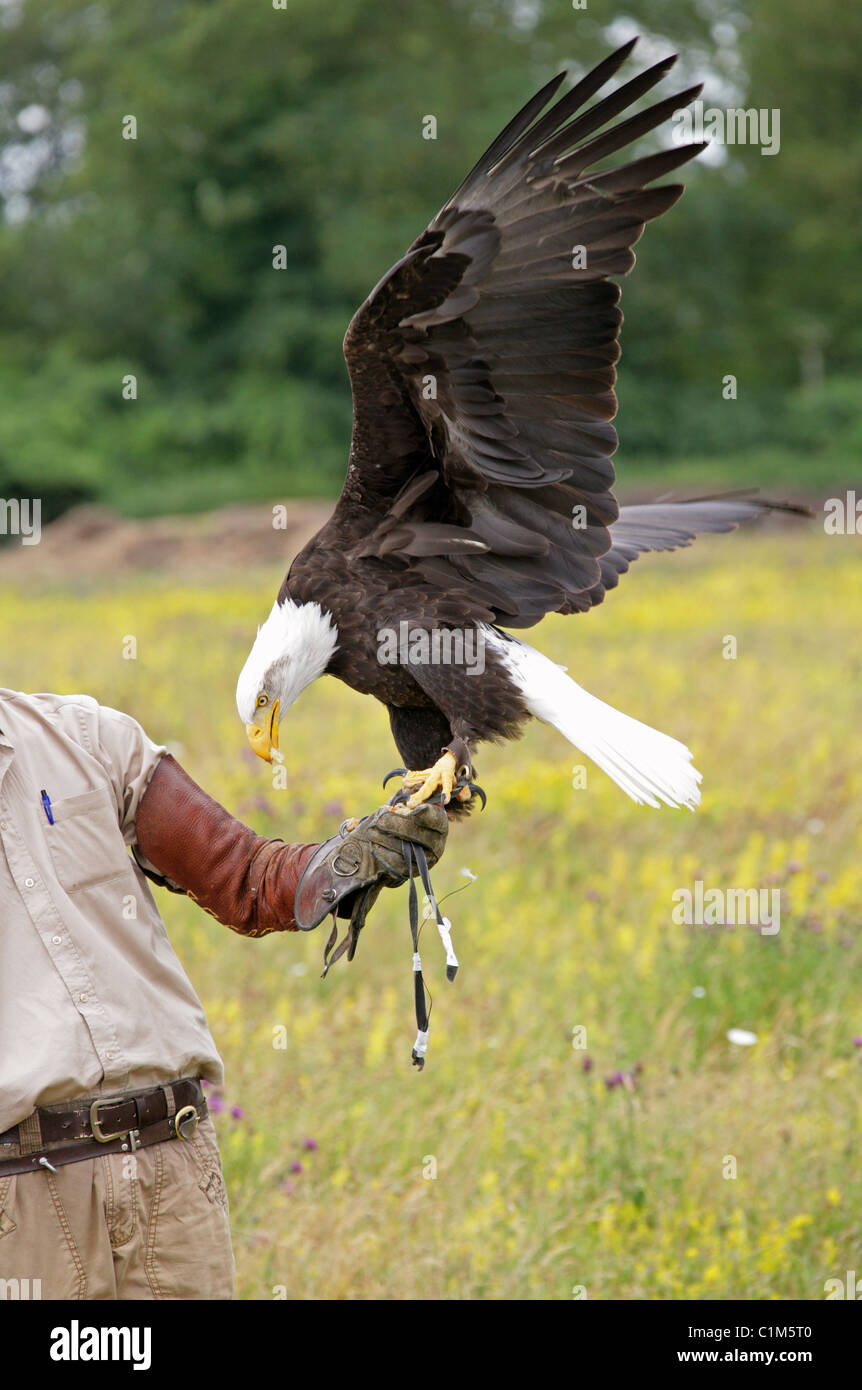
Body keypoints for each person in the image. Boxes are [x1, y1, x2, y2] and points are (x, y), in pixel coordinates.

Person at [0, 687, 448, 1300]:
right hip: (21, 1197)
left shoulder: (87, 737)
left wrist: (349, 860)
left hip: (172, 1169)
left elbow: (241, 876)